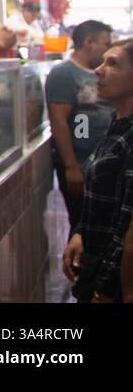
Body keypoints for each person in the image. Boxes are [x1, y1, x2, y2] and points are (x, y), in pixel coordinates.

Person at [62, 38, 133, 303]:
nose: (98, 70)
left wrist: (104, 290)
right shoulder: (118, 122)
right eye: (102, 60)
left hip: (111, 281)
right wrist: (81, 231)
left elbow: (127, 231)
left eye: (113, 64)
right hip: (95, 262)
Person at [47, 20, 115, 230]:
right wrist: (72, 166)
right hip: (82, 164)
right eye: (106, 44)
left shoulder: (99, 72)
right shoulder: (64, 74)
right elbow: (60, 120)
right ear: (88, 42)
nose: (109, 49)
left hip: (104, 161)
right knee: (84, 226)